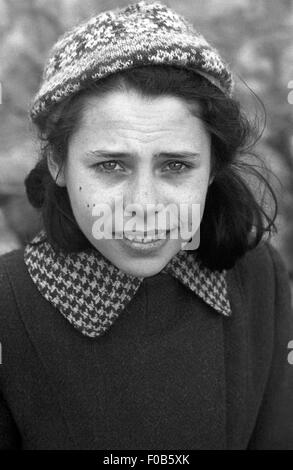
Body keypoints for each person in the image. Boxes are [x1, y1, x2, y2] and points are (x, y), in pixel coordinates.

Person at [0, 0, 293, 450]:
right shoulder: (8, 307)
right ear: (58, 163)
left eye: (175, 165)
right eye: (111, 166)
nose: (144, 206)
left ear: (213, 166)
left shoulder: (257, 275)